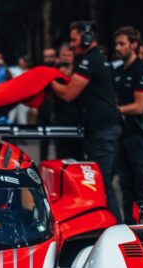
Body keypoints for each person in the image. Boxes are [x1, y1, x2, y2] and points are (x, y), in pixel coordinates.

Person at [51, 21, 122, 220]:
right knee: (100, 184)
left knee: (102, 184)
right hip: (100, 130)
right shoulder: (95, 59)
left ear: (87, 37)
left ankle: (116, 229)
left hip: (101, 132)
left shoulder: (90, 61)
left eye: (74, 39)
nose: (72, 44)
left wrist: (50, 79)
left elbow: (68, 94)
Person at [112, 27, 143, 224]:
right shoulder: (117, 71)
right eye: (116, 44)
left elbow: (139, 107)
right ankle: (129, 227)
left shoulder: (142, 70)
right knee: (126, 184)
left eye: (122, 44)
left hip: (142, 134)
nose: (118, 48)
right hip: (124, 133)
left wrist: (115, 110)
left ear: (134, 45)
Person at [52, 44, 83, 160]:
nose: (66, 58)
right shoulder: (54, 71)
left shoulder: (80, 71)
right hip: (59, 117)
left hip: (77, 118)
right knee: (61, 155)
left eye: (69, 55)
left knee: (78, 155)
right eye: (63, 55)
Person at [37, 48, 58, 161]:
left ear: (55, 57)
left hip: (55, 108)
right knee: (43, 138)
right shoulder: (40, 71)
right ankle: (42, 163)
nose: (48, 59)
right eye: (46, 57)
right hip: (43, 107)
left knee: (56, 138)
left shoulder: (60, 70)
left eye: (51, 56)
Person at [7, 56, 30, 124]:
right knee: (11, 117)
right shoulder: (13, 69)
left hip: (24, 98)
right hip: (13, 97)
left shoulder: (30, 71)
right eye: (21, 61)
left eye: (24, 61)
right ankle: (9, 133)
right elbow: (6, 72)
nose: (22, 63)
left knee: (23, 119)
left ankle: (23, 133)